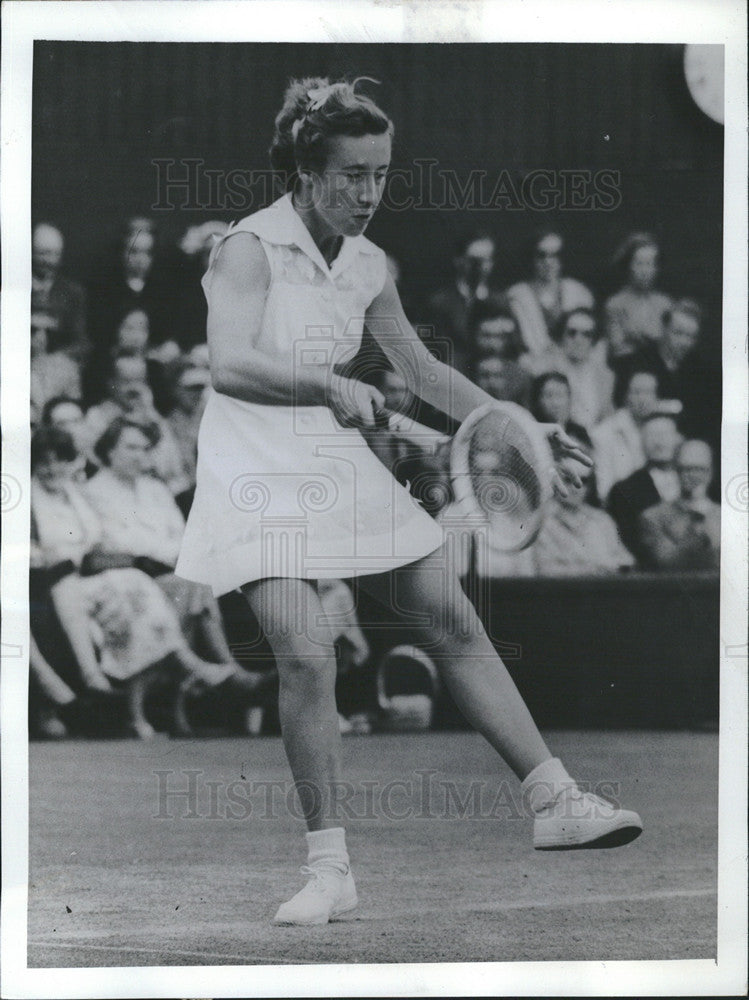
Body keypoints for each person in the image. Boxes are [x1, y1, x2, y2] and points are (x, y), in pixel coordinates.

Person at [175, 76, 642, 927]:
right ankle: (330, 868)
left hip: (335, 460)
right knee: (307, 652)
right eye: (352, 175)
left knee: (450, 616)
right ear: (306, 171)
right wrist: (325, 386)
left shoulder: (367, 263)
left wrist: (519, 426)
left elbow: (424, 375)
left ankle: (554, 801)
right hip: (251, 470)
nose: (368, 193)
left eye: (382, 174)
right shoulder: (246, 247)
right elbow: (228, 363)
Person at [84, 351, 190, 495]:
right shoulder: (96, 416)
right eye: (126, 381)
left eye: (140, 381)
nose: (134, 388)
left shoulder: (153, 416)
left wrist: (149, 413)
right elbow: (100, 461)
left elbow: (171, 466)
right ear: (111, 383)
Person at [533, 440, 634, 576]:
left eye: (584, 480)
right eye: (569, 480)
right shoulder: (540, 522)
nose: (577, 487)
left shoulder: (602, 520)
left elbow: (626, 561)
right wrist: (595, 569)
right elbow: (544, 570)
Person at [503, 230, 594, 359]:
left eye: (555, 255)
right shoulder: (517, 296)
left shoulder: (579, 293)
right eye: (542, 255)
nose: (548, 262)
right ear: (532, 258)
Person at [424, 232, 503, 374]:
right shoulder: (440, 303)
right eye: (474, 260)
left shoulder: (501, 302)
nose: (479, 266)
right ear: (459, 260)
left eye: (485, 260)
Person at [522, 308, 614, 429]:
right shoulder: (544, 370)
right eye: (572, 333)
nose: (579, 340)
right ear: (561, 336)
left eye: (587, 334)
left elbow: (606, 417)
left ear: (594, 340)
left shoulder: (604, 376)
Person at [606, 414, 682, 561]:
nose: (659, 442)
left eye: (666, 435)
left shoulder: (694, 481)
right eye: (652, 435)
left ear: (679, 438)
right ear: (640, 441)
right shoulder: (624, 491)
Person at [638, 440, 720, 571]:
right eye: (686, 469)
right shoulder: (653, 517)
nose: (694, 475)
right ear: (675, 471)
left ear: (711, 473)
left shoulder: (728, 516)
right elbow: (669, 563)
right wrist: (696, 519)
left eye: (700, 469)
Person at [590, 368, 660, 502]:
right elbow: (604, 489)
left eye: (649, 392)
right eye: (637, 392)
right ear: (626, 395)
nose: (642, 399)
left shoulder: (663, 430)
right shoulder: (603, 433)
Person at [604, 232, 672, 368]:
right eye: (639, 264)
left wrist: (637, 340)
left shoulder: (665, 303)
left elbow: (671, 349)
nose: (645, 271)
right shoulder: (615, 304)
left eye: (650, 264)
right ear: (629, 265)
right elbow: (617, 350)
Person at [31, 222, 89, 362]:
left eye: (55, 254)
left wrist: (56, 359)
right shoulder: (15, 288)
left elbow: (80, 343)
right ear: (31, 252)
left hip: (57, 368)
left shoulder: (72, 293)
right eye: (43, 253)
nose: (49, 261)